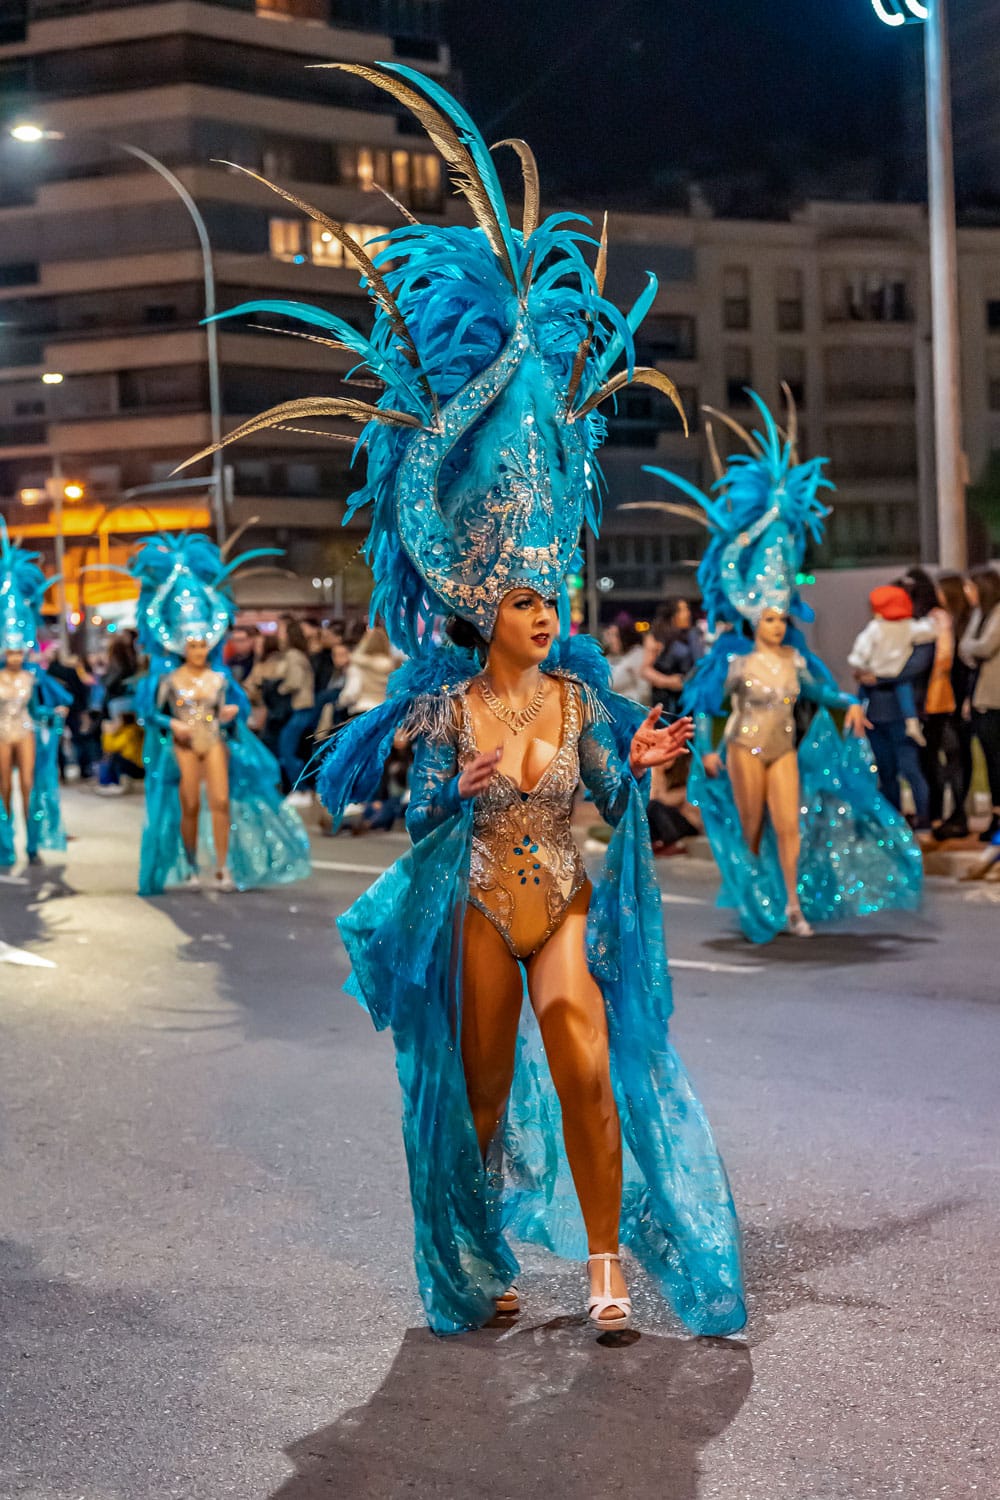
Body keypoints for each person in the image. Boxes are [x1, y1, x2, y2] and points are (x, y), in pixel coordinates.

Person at [191, 66, 745, 1339]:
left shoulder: (586, 695)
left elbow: (611, 798)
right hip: (479, 907)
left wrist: (651, 756)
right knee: (484, 1095)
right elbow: (421, 808)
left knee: (589, 1058)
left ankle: (607, 1266)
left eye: (552, 598)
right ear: (478, 609)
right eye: (523, 602)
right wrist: (460, 790)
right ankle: (475, 1247)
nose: (545, 615)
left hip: (560, 903)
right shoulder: (443, 710)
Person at [647, 390, 923, 944]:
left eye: (781, 617)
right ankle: (757, 893)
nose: (776, 624)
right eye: (768, 617)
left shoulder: (798, 657)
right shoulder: (737, 659)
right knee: (751, 828)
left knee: (788, 824)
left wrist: (849, 709)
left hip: (783, 749)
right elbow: (705, 706)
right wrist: (705, 746)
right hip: (744, 749)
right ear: (755, 618)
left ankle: (793, 904)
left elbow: (826, 693)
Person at [129, 532, 311, 895]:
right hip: (183, 744)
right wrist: (172, 723)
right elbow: (149, 714)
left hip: (214, 739)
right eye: (192, 644)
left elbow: (239, 709)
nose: (198, 650)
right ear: (182, 645)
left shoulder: (219, 677)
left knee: (222, 801)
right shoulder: (168, 679)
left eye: (202, 644)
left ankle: (224, 867)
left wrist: (231, 712)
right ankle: (193, 863)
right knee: (190, 804)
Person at [0, 520, 68, 867]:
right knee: (4, 791)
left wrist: (52, 715)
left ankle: (32, 844)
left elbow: (42, 707)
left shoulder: (32, 678)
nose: (14, 656)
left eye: (17, 651)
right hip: (1, 734)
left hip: (24, 732)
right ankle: (6, 843)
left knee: (29, 786)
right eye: (8, 651)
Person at [847, 585, 938, 746]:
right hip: (895, 674)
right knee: (904, 691)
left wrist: (860, 666)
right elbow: (929, 631)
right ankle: (912, 723)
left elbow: (861, 650)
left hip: (878, 676)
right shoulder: (909, 627)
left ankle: (857, 719)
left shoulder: (875, 628)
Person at [931, 572, 975, 841]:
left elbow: (954, 663)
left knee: (957, 757)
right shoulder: (963, 621)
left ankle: (959, 815)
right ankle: (957, 814)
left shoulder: (959, 624)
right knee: (957, 757)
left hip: (956, 703)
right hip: (957, 701)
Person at [959, 566, 1000, 845]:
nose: (967, 594)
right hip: (981, 697)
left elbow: (982, 647)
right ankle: (995, 814)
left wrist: (970, 647)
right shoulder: (979, 614)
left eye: (971, 588)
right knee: (989, 757)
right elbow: (967, 647)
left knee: (997, 760)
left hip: (994, 697)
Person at [642, 598, 702, 712]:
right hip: (665, 698)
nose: (688, 614)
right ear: (672, 614)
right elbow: (645, 669)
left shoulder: (692, 635)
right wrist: (667, 681)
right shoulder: (657, 636)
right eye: (682, 610)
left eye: (687, 609)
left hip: (687, 696)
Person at [338, 624, 398, 718]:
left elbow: (352, 692)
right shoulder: (392, 666)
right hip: (384, 711)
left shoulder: (358, 665)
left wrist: (341, 701)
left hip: (361, 710)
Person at [95, 707, 145, 795]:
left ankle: (118, 784)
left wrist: (107, 733)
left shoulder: (130, 732)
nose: (115, 722)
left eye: (117, 720)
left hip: (139, 767)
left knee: (117, 757)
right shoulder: (126, 731)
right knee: (115, 757)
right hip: (136, 765)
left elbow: (110, 748)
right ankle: (112, 782)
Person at [603, 619, 649, 704]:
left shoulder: (636, 654)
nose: (611, 640)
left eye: (615, 635)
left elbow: (644, 689)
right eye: (609, 635)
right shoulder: (609, 658)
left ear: (624, 636)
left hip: (632, 710)